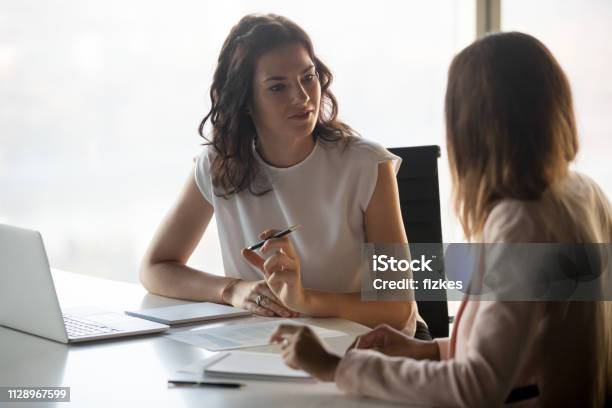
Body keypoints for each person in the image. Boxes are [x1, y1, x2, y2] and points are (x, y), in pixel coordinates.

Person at [270, 32, 612, 407]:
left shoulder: (520, 221)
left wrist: (336, 367)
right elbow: (532, 347)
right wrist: (430, 352)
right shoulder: (583, 193)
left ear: (470, 124)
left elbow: (474, 387)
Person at [139, 14, 421, 333]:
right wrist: (232, 290)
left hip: (370, 346)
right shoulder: (218, 164)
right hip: (269, 345)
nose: (301, 97)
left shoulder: (367, 164)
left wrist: (305, 300)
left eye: (308, 77)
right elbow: (155, 267)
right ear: (245, 101)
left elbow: (399, 307)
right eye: (277, 87)